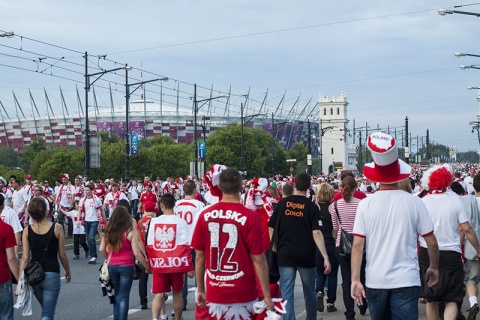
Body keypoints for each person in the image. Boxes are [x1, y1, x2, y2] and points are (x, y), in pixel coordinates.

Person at [351, 131, 439, 320]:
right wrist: (434, 267)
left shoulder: (366, 204)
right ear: (399, 173)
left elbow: (358, 246)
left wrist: (355, 279)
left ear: (375, 175)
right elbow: (431, 242)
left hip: (376, 279)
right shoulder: (414, 202)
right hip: (406, 279)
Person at [192, 167, 274, 319]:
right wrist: (267, 295)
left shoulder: (204, 216)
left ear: (220, 187)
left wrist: (201, 289)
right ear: (241, 186)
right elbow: (259, 260)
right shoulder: (250, 216)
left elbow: (199, 257)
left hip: (214, 289)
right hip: (243, 290)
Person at [420, 165, 480, 320]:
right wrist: (478, 249)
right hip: (451, 253)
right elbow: (466, 228)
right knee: (452, 298)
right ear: (447, 181)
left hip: (427, 253)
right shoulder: (455, 199)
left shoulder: (423, 201)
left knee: (431, 298)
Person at [268, 171, 331, 320]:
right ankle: (311, 317)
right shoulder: (311, 206)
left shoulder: (282, 203)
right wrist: (325, 256)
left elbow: (271, 227)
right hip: (306, 254)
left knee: (286, 292)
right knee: (309, 291)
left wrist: (274, 246)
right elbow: (316, 233)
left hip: (285, 253)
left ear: (294, 184)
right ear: (309, 186)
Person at [18, 197, 72, 320]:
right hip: (52, 272)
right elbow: (62, 254)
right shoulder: (57, 227)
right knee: (48, 313)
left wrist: (20, 281)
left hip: (33, 274)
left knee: (46, 310)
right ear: (46, 210)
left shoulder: (26, 230)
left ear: (30, 213)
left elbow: (25, 258)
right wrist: (68, 272)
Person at [146, 194, 194, 320]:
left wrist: (150, 263)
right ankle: (177, 318)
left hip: (160, 262)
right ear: (174, 205)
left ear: (161, 206)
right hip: (176, 263)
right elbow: (185, 245)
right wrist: (189, 266)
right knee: (177, 292)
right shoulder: (181, 222)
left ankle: (155, 318)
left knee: (158, 294)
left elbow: (150, 244)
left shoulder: (154, 221)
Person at [99, 206, 150, 320]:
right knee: (124, 296)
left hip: (112, 265)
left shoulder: (108, 232)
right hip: (127, 266)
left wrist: (108, 259)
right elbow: (136, 253)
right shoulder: (130, 232)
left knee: (116, 294)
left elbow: (101, 249)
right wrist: (147, 266)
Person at [330, 176, 366, 319]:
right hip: (360, 244)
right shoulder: (362, 204)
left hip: (342, 244)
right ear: (356, 188)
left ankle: (349, 313)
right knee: (360, 276)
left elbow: (335, 227)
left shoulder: (335, 206)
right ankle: (362, 304)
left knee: (346, 280)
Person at [173, 179, 205, 311]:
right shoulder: (199, 205)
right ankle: (200, 298)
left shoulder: (177, 204)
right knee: (199, 270)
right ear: (194, 191)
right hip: (194, 240)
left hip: (181, 242)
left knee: (183, 274)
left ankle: (183, 301)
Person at [315, 182, 339, 313]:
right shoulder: (333, 208)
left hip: (318, 244)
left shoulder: (315, 208)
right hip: (331, 243)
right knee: (333, 274)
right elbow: (336, 228)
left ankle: (319, 291)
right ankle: (330, 302)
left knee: (319, 272)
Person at [137, 201, 159, 310]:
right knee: (157, 276)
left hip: (143, 251)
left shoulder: (140, 222)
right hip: (155, 251)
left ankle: (143, 301)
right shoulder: (157, 221)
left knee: (143, 277)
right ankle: (160, 296)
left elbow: (137, 238)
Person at [79, 184, 105, 265]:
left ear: (91, 190)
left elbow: (101, 209)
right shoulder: (83, 200)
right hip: (86, 221)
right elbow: (80, 210)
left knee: (91, 238)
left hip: (95, 220)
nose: (86, 192)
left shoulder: (96, 199)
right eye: (85, 190)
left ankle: (93, 256)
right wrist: (78, 221)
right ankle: (91, 256)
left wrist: (104, 219)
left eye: (88, 190)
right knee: (89, 239)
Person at [55, 173, 76, 237]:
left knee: (70, 220)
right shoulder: (61, 187)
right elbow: (58, 196)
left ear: (67, 179)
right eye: (63, 179)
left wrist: (71, 204)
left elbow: (73, 196)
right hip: (62, 205)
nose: (64, 181)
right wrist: (57, 204)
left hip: (68, 205)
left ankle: (70, 234)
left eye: (65, 179)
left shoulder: (71, 187)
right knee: (60, 219)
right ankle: (62, 233)